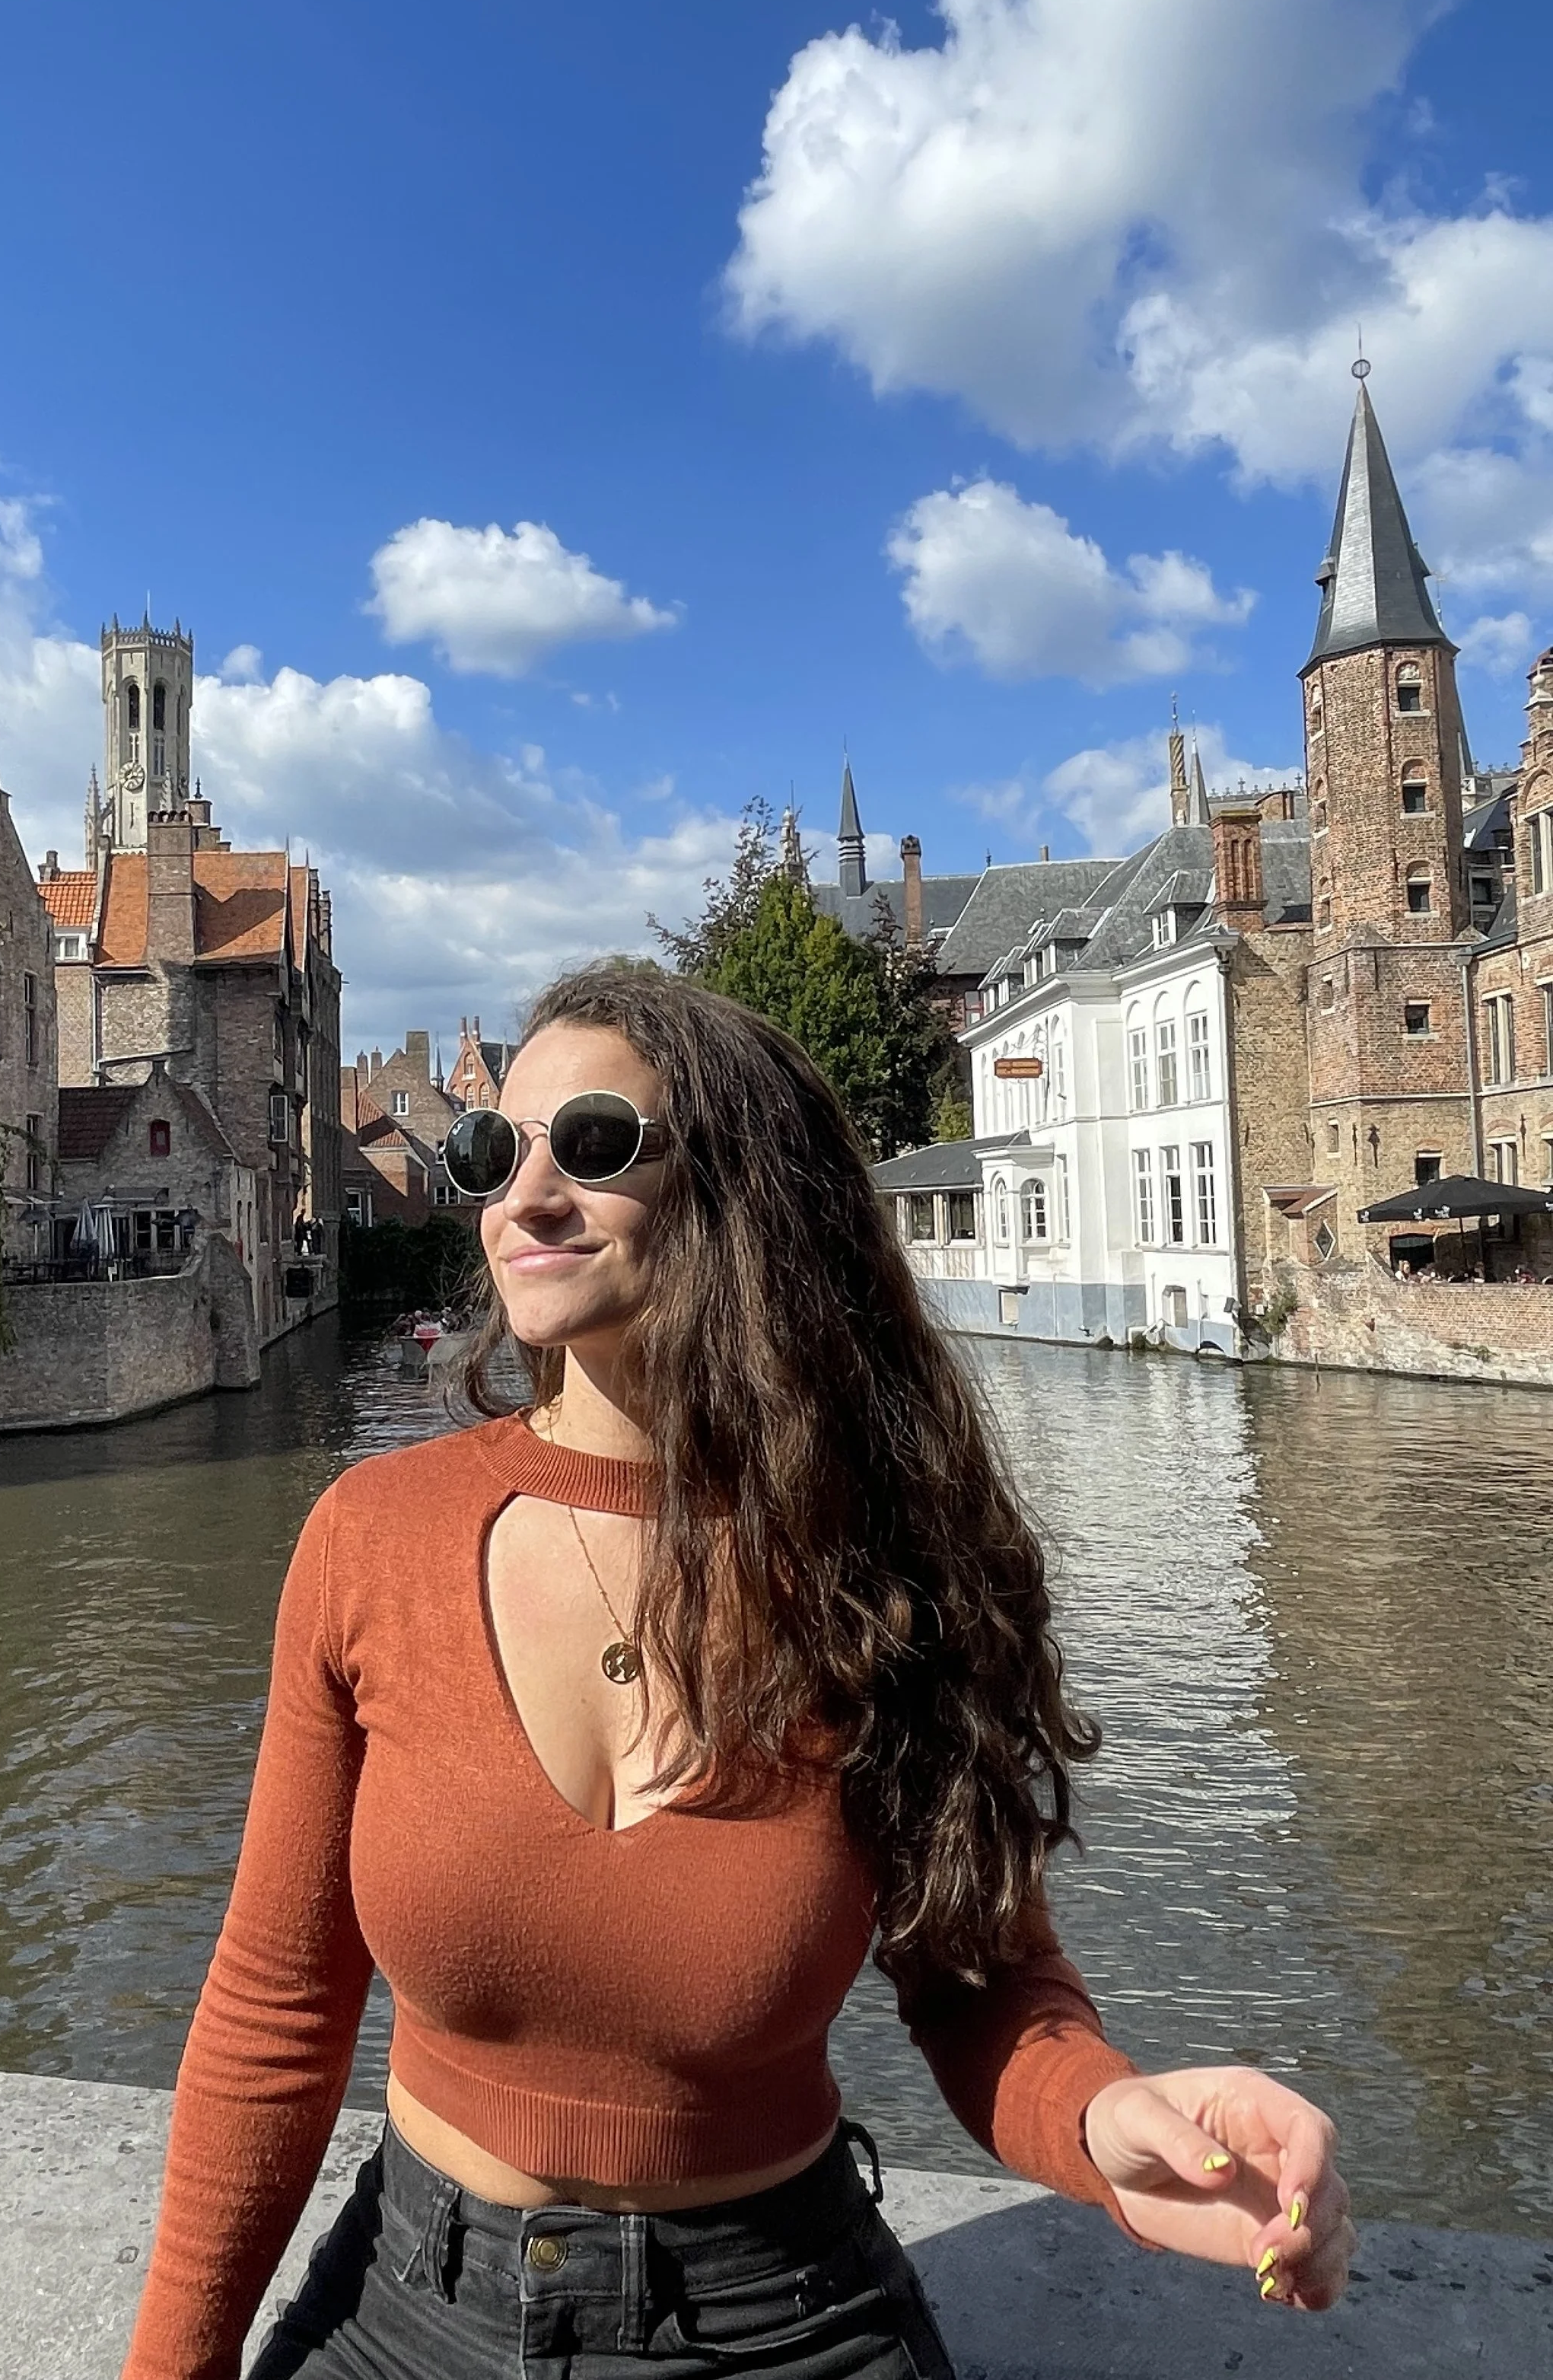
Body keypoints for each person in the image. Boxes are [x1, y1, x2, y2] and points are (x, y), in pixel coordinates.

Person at [122, 965, 1354, 2380]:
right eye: (489, 1152)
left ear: (736, 1188)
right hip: (407, 2308)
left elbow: (980, 1983)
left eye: (589, 1146)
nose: (521, 1198)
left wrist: (1104, 2121)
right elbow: (275, 2010)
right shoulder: (372, 1538)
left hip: (778, 2320)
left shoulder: (875, 1565)